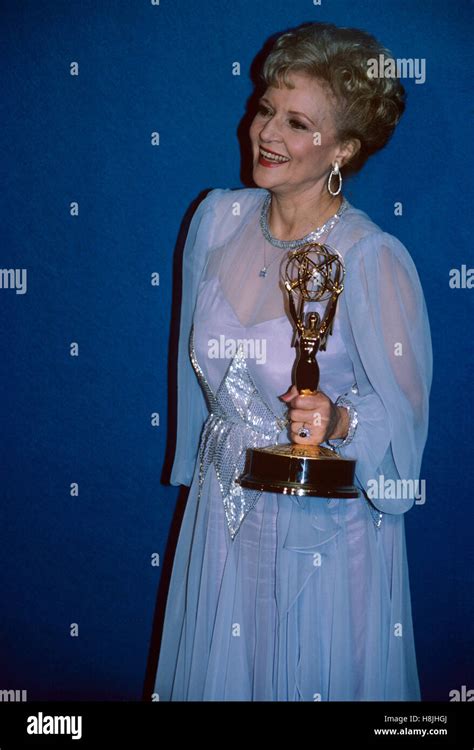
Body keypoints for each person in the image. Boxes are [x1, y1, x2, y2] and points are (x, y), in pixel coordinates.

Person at [153, 21, 432, 701]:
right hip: (221, 521)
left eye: (297, 121)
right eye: (265, 108)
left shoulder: (372, 259)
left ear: (343, 148)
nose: (266, 132)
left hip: (320, 541)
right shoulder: (215, 221)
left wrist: (337, 420)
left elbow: (401, 423)